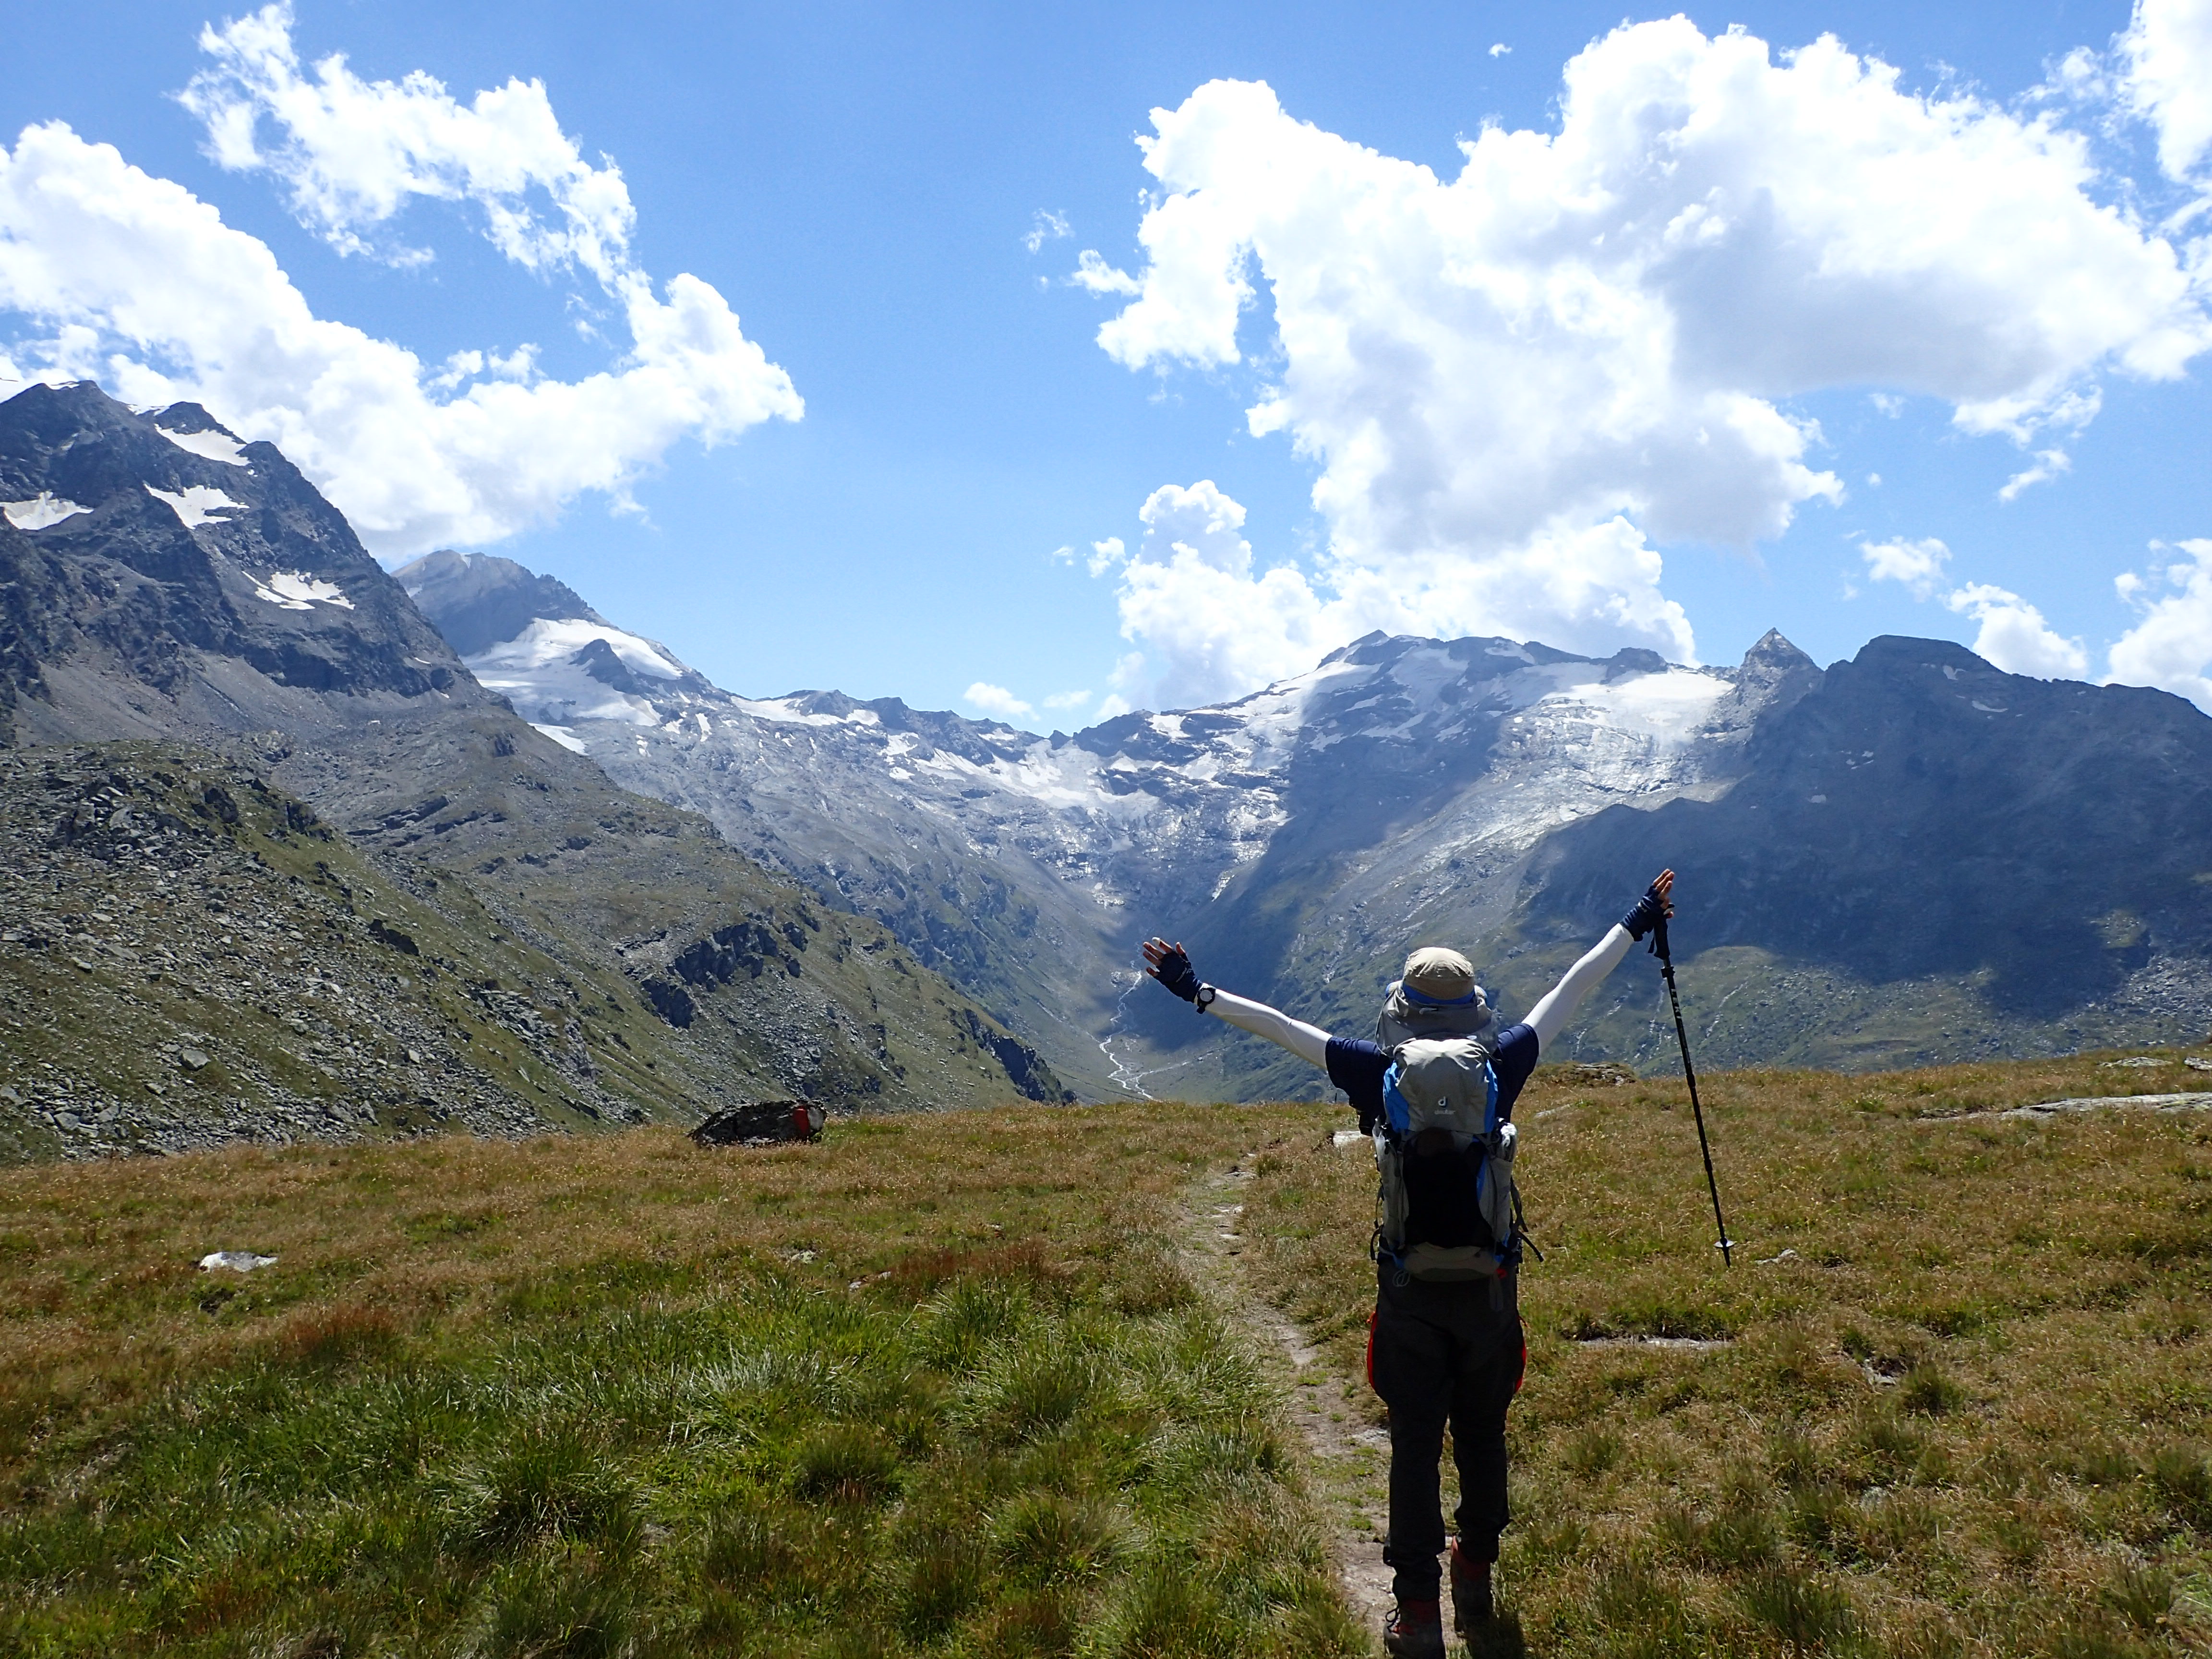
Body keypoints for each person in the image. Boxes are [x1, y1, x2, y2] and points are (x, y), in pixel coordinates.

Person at [1142, 869, 1675, 1658]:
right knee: (1485, 1433)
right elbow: (1575, 983)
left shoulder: (1374, 1070)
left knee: (1415, 1444)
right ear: (1471, 1008)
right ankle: (1477, 1569)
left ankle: (1417, 1613)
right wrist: (1638, 919)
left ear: (1405, 1011)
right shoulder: (1504, 1062)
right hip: (1490, 1294)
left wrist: (1196, 990)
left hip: (1408, 1293)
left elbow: (1280, 1026)